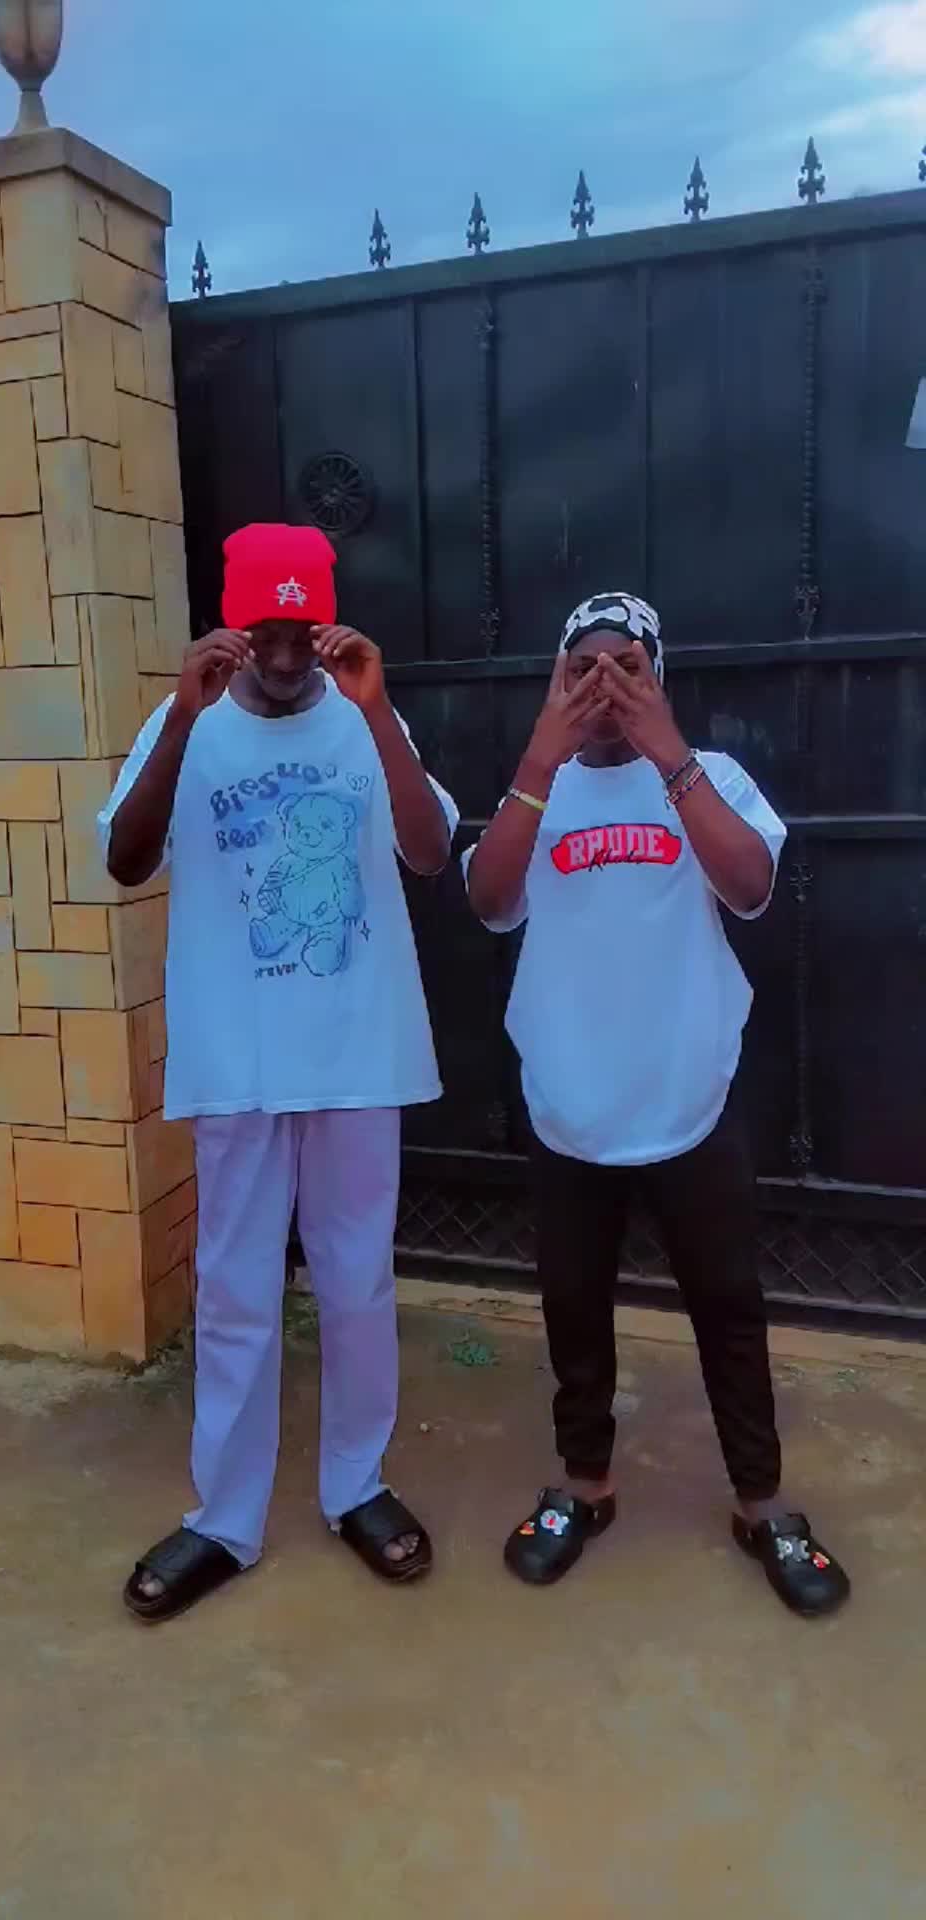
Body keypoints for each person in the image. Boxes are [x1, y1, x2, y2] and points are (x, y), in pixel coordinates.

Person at [463, 591, 849, 1617]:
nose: (604, 686)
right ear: (555, 680)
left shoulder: (709, 775)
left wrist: (668, 753)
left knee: (728, 1307)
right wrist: (539, 758)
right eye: (582, 668)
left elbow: (752, 886)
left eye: (626, 667)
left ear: (660, 676)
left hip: (689, 1095)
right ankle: (585, 1486)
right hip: (570, 1099)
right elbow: (489, 901)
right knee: (574, 1306)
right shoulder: (538, 789)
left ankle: (761, 1503)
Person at [101, 523, 458, 1623]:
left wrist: (378, 710)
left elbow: (429, 851)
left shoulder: (362, 714)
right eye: (268, 631)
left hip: (356, 1052)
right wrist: (179, 719)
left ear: (327, 621)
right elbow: (125, 858)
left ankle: (357, 1486)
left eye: (304, 628)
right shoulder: (191, 721)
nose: (289, 653)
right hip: (240, 1059)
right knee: (236, 1293)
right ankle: (226, 1518)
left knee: (357, 1284)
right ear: (234, 626)